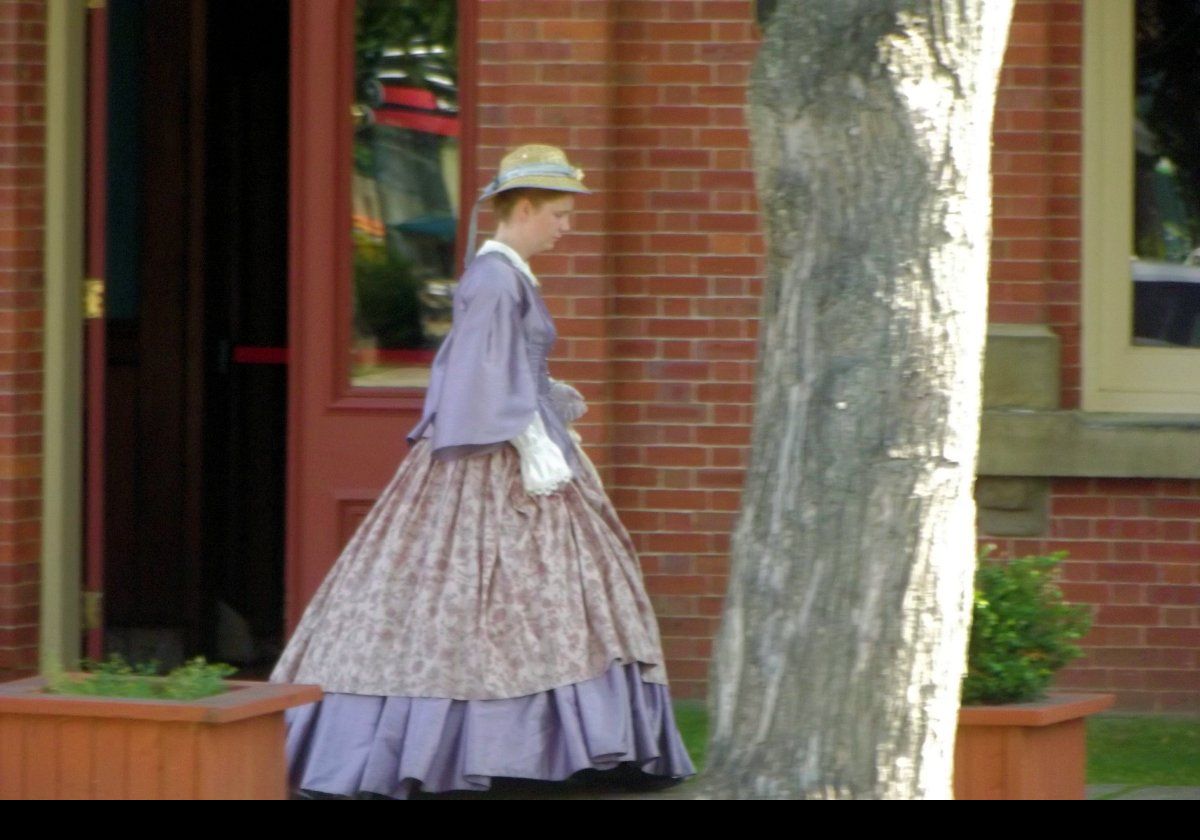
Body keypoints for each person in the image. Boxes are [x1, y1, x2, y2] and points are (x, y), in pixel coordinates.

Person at [269, 144, 696, 798]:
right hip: (493, 459)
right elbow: (479, 380)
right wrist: (535, 444)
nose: (567, 224)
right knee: (486, 598)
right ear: (521, 208)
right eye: (557, 212)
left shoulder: (504, 276)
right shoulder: (497, 280)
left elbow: (502, 373)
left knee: (521, 600)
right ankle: (494, 749)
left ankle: (538, 745)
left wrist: (542, 416)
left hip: (508, 444)